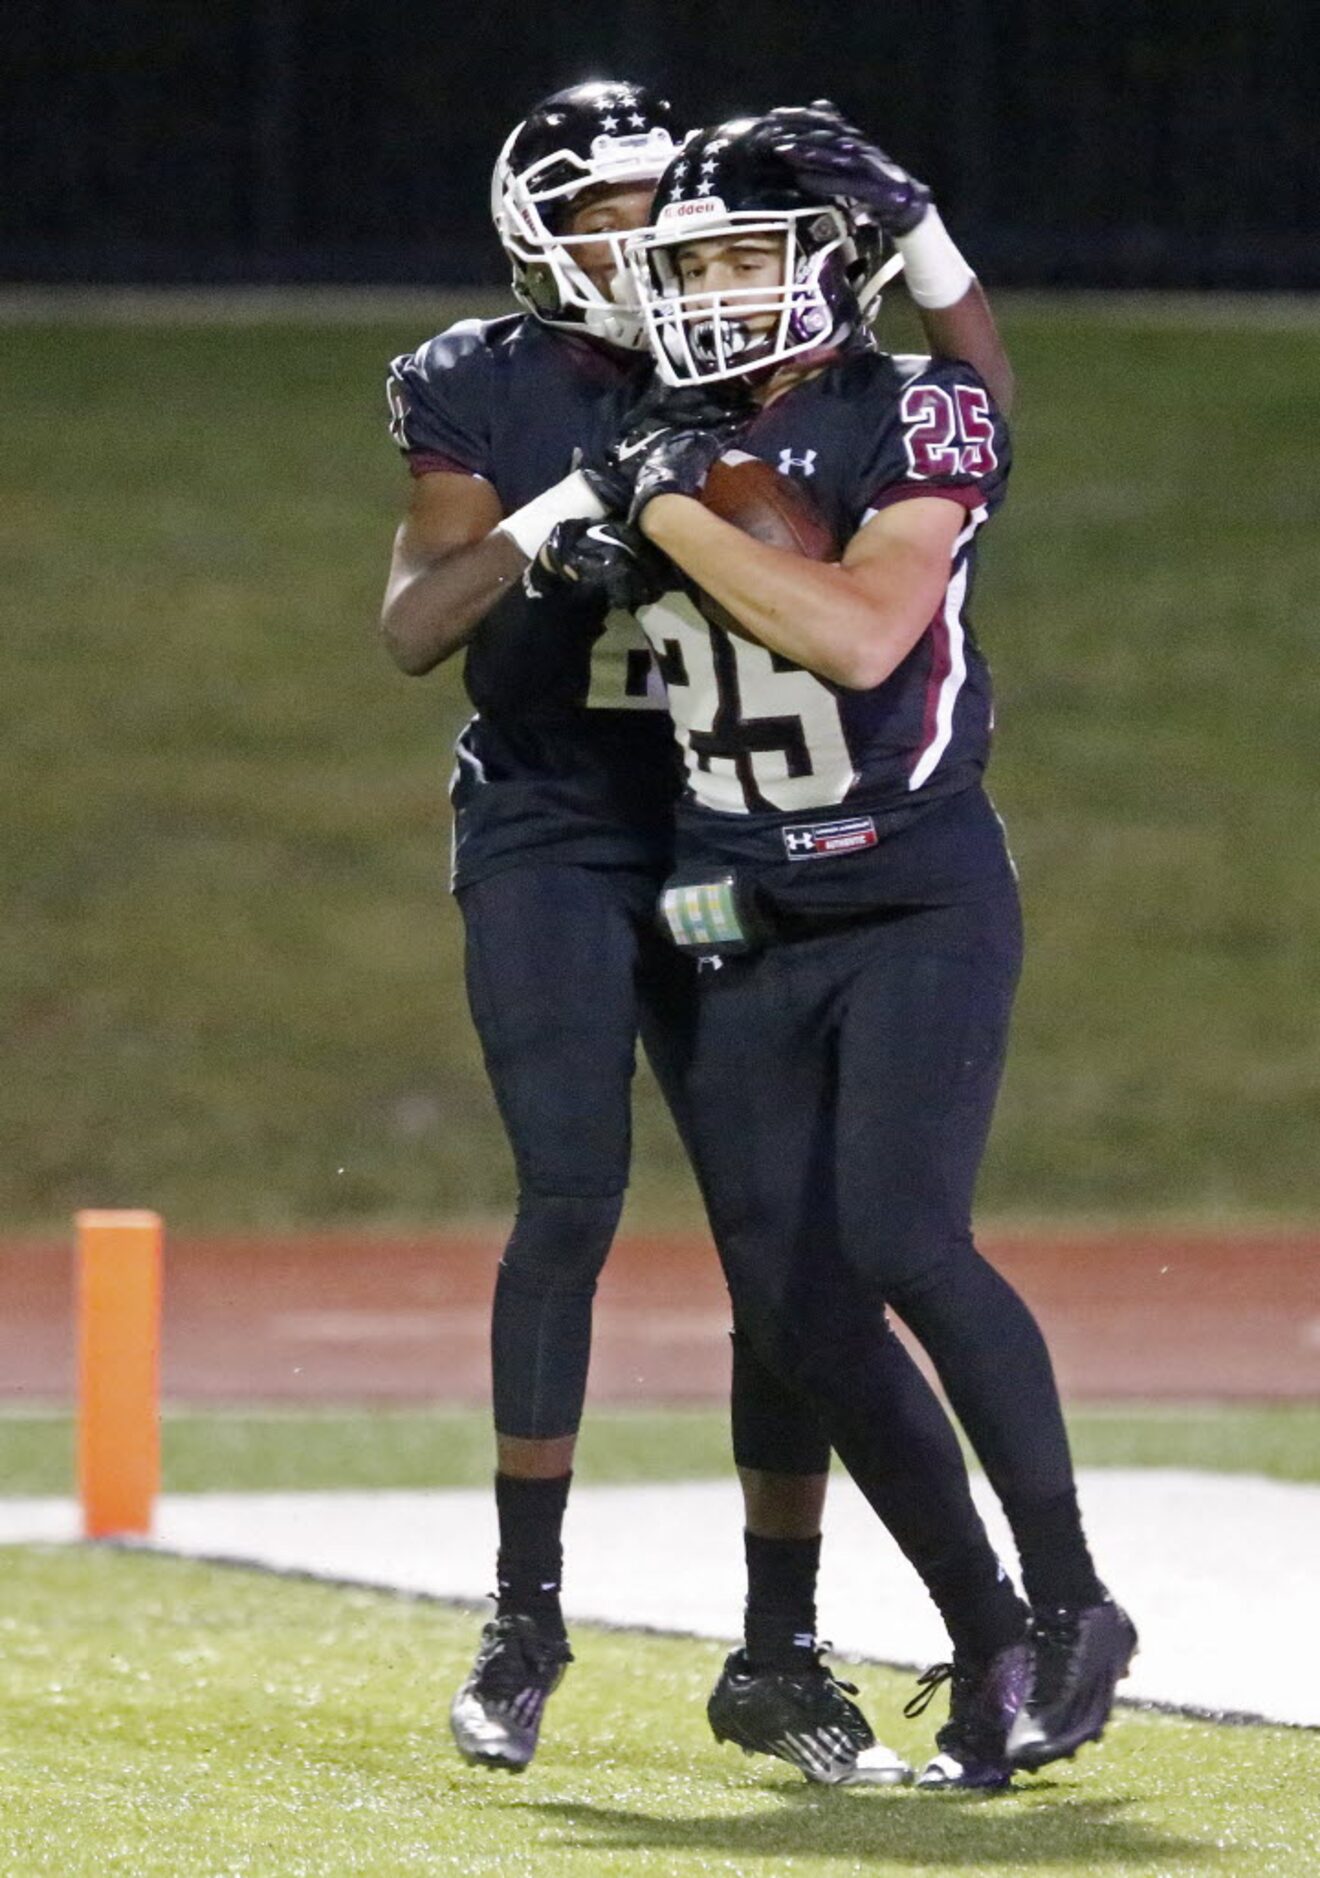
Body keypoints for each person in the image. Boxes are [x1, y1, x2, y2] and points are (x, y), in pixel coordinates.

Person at [380, 82, 1032, 1790]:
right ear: (535, 232)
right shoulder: (481, 380)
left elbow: (962, 410)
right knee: (575, 1189)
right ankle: (525, 1621)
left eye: (659, 207)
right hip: (550, 821)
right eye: (600, 211)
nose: (642, 240)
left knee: (786, 1247)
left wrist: (929, 236)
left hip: (714, 835)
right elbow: (412, 626)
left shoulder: (740, 352)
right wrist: (553, 516)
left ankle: (780, 1642)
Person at [570, 106, 1137, 1777]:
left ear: (833, 265)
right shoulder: (651, 430)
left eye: (750, 253)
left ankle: (1078, 1596)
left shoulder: (914, 412)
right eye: (690, 266)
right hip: (740, 905)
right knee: (795, 1315)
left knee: (902, 1233)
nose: (715, 291)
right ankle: (988, 1637)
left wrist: (663, 514)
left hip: (914, 889)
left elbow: (866, 628)